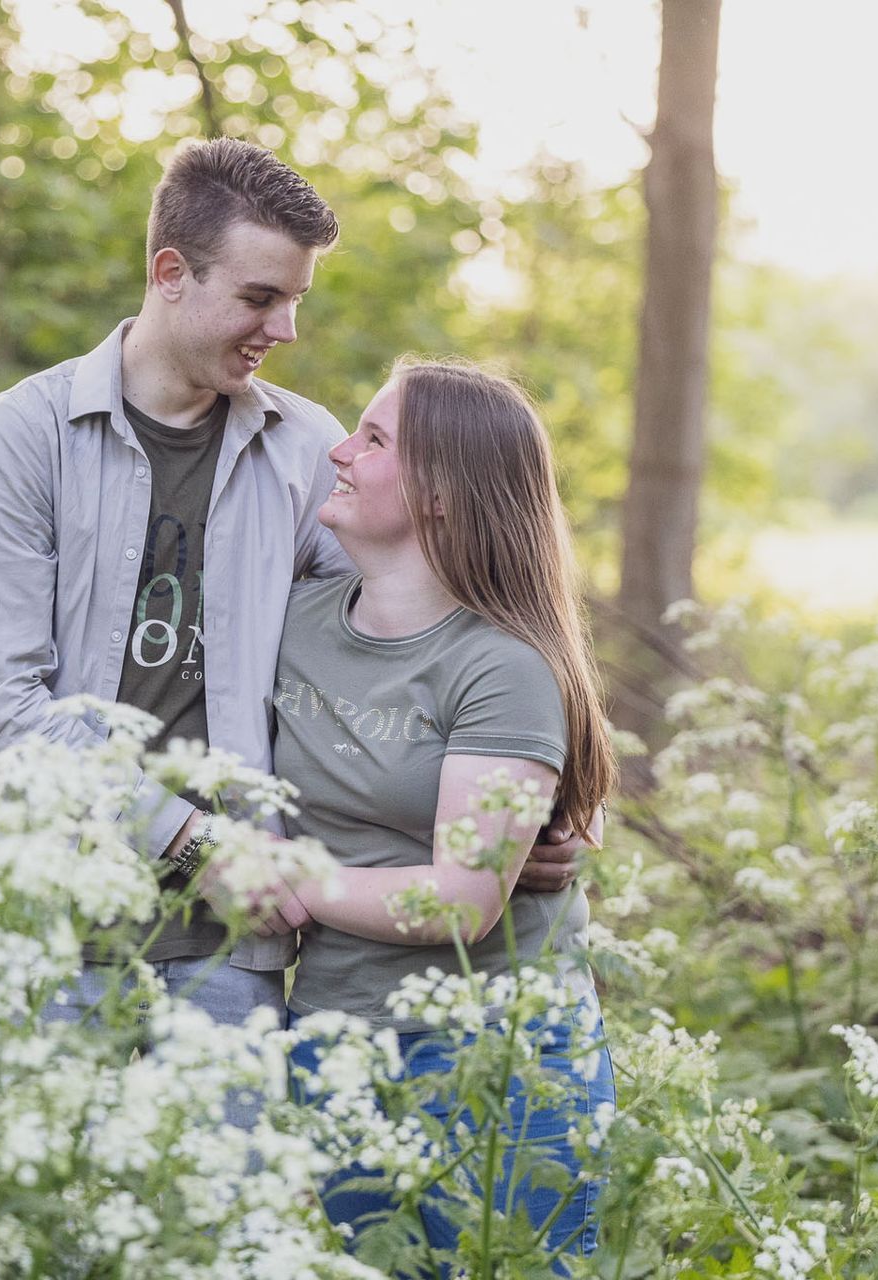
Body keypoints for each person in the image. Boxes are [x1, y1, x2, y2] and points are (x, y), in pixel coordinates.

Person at [0, 139, 593, 1043]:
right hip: (53, 923)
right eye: (260, 298)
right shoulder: (29, 435)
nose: (284, 329)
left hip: (237, 947)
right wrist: (194, 843)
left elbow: (405, 646)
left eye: (294, 299)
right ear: (171, 273)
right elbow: (9, 709)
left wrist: (532, 806)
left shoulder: (305, 447)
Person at [271, 359, 616, 1269]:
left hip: (499, 1054)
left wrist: (296, 880)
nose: (341, 451)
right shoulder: (293, 622)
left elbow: (463, 902)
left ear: (442, 493)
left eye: (375, 439)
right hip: (337, 1042)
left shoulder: (500, 665)